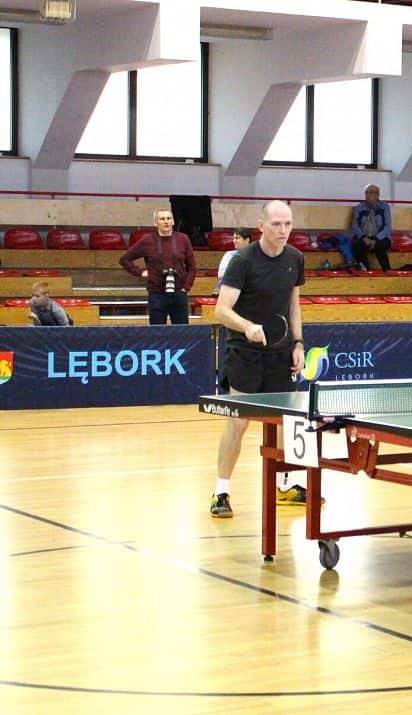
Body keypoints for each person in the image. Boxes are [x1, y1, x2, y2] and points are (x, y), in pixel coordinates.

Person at [211, 200, 308, 518]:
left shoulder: (295, 258)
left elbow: (293, 305)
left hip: (281, 352)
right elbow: (221, 310)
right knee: (239, 422)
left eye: (288, 224)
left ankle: (285, 486)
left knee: (284, 421)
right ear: (261, 225)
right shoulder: (242, 260)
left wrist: (298, 343)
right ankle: (221, 492)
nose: (283, 230)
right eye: (277, 224)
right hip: (245, 352)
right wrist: (247, 326)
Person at [119, 208, 197, 324]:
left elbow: (192, 267)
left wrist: (186, 287)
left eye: (169, 218)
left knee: (181, 332)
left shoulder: (183, 239)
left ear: (173, 221)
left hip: (179, 293)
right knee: (157, 331)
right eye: (162, 219)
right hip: (157, 295)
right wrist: (140, 272)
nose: (166, 222)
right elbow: (125, 259)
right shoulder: (147, 240)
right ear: (155, 223)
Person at [349, 184, 392, 272]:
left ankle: (387, 271)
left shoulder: (385, 207)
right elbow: (355, 226)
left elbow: (387, 227)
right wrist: (364, 237)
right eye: (369, 192)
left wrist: (375, 239)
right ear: (365, 194)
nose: (371, 195)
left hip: (380, 237)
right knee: (357, 245)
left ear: (378, 195)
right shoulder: (359, 208)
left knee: (380, 245)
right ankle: (365, 270)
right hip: (364, 237)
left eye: (374, 192)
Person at [215, 228, 252, 293]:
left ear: (247, 240)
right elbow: (221, 274)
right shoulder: (229, 254)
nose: (234, 241)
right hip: (230, 289)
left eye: (237, 238)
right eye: (234, 238)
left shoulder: (256, 255)